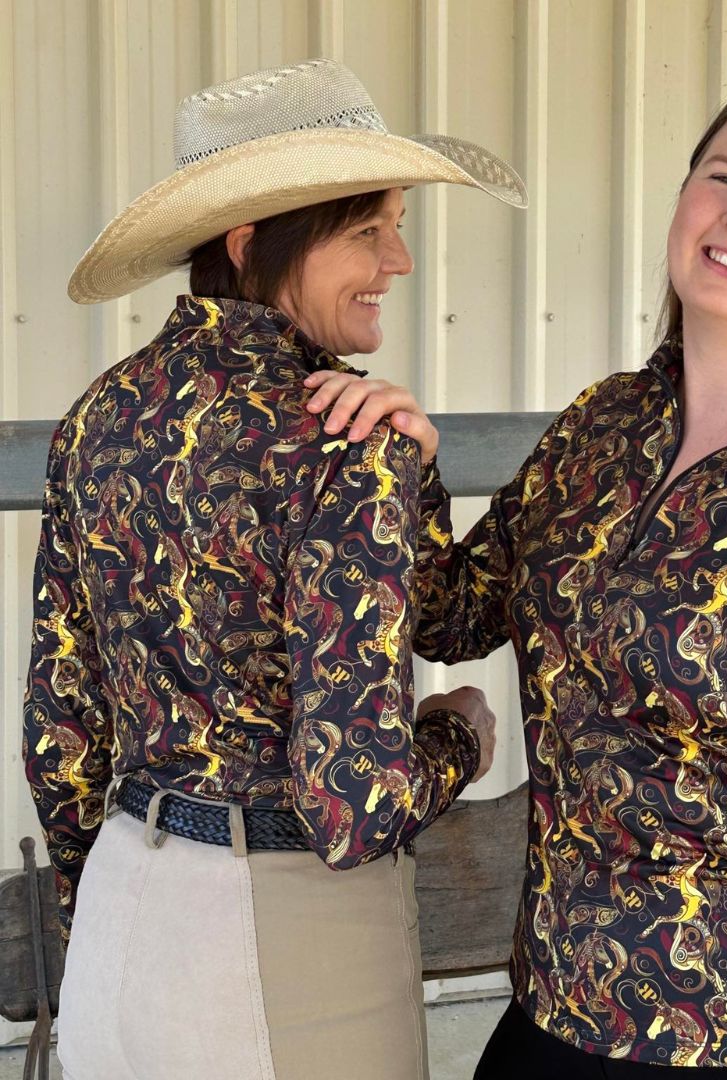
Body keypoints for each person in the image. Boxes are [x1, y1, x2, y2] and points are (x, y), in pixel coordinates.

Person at [311, 78, 727, 1078]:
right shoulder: (603, 430)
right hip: (570, 1012)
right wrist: (396, 462)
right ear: (681, 203)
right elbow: (453, 611)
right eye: (722, 178)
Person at [22, 58, 525, 1080]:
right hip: (294, 948)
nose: (401, 259)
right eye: (366, 231)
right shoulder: (343, 439)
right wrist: (461, 738)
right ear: (252, 244)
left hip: (121, 927)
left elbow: (59, 736)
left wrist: (110, 902)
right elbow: (353, 806)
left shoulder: (99, 420)